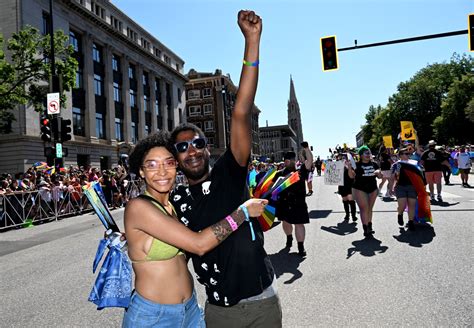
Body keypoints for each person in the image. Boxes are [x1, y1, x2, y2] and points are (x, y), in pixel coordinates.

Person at [168, 10, 281, 328]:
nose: (191, 150)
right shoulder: (174, 202)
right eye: (181, 147)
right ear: (176, 159)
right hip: (219, 313)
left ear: (206, 149)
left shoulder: (229, 172)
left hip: (263, 305)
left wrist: (252, 41)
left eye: (197, 143)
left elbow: (241, 110)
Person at [123, 131, 268, 328]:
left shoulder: (173, 204)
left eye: (168, 162)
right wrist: (242, 212)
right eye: (152, 165)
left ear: (177, 166)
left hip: (191, 310)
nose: (162, 171)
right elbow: (198, 244)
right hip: (154, 316)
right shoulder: (138, 206)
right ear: (140, 171)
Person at [273, 151, 310, 257]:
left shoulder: (300, 171)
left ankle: (301, 247)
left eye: (291, 160)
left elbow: (309, 161)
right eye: (287, 161)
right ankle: (289, 237)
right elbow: (272, 189)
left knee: (299, 224)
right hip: (284, 203)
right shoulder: (279, 174)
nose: (288, 162)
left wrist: (307, 149)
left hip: (298, 203)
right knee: (285, 222)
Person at [348, 145, 382, 238]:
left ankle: (370, 226)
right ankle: (365, 228)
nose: (368, 155)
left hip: (373, 189)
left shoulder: (374, 164)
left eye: (369, 153)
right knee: (364, 208)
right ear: (361, 155)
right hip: (360, 188)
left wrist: (379, 173)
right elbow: (351, 176)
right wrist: (349, 168)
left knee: (370, 208)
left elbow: (380, 176)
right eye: (366, 153)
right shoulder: (356, 165)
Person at [390, 148, 418, 231]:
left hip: (412, 187)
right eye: (405, 153)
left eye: (408, 154)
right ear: (400, 155)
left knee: (411, 205)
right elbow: (392, 177)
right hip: (400, 187)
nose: (407, 155)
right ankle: (400, 214)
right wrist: (390, 188)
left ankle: (411, 222)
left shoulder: (414, 163)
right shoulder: (396, 164)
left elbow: (419, 175)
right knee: (402, 205)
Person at [337, 154, 358, 222]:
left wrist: (348, 166)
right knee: (345, 201)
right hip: (342, 186)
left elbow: (351, 176)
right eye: (340, 159)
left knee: (351, 200)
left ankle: (353, 216)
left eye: (343, 159)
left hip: (350, 186)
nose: (342, 160)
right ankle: (347, 215)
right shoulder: (338, 168)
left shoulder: (351, 167)